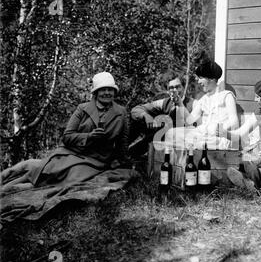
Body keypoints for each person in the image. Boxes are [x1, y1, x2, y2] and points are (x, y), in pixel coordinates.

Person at [1, 71, 131, 193]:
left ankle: (8, 191)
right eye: (103, 89)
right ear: (96, 92)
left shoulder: (121, 112)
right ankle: (3, 185)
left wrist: (124, 162)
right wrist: (89, 136)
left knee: (51, 181)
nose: (107, 93)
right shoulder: (82, 109)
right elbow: (67, 137)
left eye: (110, 89)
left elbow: (122, 142)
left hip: (95, 162)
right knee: (37, 170)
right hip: (72, 153)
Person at [165, 60, 239, 150]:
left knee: (201, 142)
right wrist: (179, 103)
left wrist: (219, 129)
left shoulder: (227, 95)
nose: (198, 82)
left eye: (201, 78)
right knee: (170, 133)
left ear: (211, 79)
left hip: (219, 137)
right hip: (203, 134)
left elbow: (234, 122)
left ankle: (193, 148)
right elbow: (189, 121)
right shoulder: (204, 99)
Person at [129, 73, 194, 156]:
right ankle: (123, 153)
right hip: (163, 138)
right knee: (139, 122)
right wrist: (146, 116)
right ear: (168, 91)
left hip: (184, 142)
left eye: (177, 87)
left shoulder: (193, 104)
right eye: (171, 88)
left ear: (183, 88)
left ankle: (130, 155)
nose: (174, 90)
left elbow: (195, 126)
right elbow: (136, 110)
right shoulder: (164, 103)